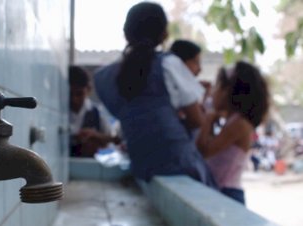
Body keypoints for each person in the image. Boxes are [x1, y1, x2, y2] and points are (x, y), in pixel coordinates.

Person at [93, 2, 216, 188]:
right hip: (180, 163)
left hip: (142, 167)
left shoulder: (103, 79)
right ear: (164, 34)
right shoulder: (170, 65)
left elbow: (132, 118)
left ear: (126, 33)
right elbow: (197, 120)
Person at [196, 61, 270, 204]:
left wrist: (208, 118)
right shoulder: (233, 121)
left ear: (227, 91)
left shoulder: (238, 124)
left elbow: (203, 150)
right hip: (221, 191)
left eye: (216, 86)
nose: (212, 92)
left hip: (227, 194)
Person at [69, 65, 120, 157]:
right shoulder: (60, 113)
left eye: (79, 93)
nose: (74, 99)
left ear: (88, 89)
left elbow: (113, 140)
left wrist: (95, 135)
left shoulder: (97, 113)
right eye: (70, 94)